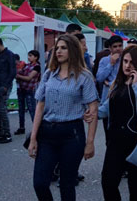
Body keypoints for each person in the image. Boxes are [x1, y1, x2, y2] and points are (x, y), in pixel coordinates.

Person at [28, 34, 99, 201]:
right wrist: (33, 138)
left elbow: (93, 108)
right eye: (57, 48)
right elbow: (40, 105)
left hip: (71, 134)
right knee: (40, 183)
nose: (58, 51)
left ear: (73, 50)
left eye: (63, 48)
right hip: (47, 132)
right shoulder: (49, 74)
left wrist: (90, 143)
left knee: (67, 184)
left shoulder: (84, 76)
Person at [98, 44, 137, 200]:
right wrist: (90, 113)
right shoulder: (118, 82)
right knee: (108, 182)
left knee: (136, 187)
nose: (127, 65)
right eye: (124, 61)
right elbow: (107, 108)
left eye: (131, 62)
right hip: (116, 139)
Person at [15, 50, 42, 135]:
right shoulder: (26, 65)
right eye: (28, 56)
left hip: (29, 90)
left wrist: (18, 76)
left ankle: (36, 129)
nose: (29, 57)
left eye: (30, 56)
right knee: (21, 109)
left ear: (36, 57)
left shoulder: (37, 67)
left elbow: (29, 78)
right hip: (21, 89)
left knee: (32, 110)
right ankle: (21, 127)